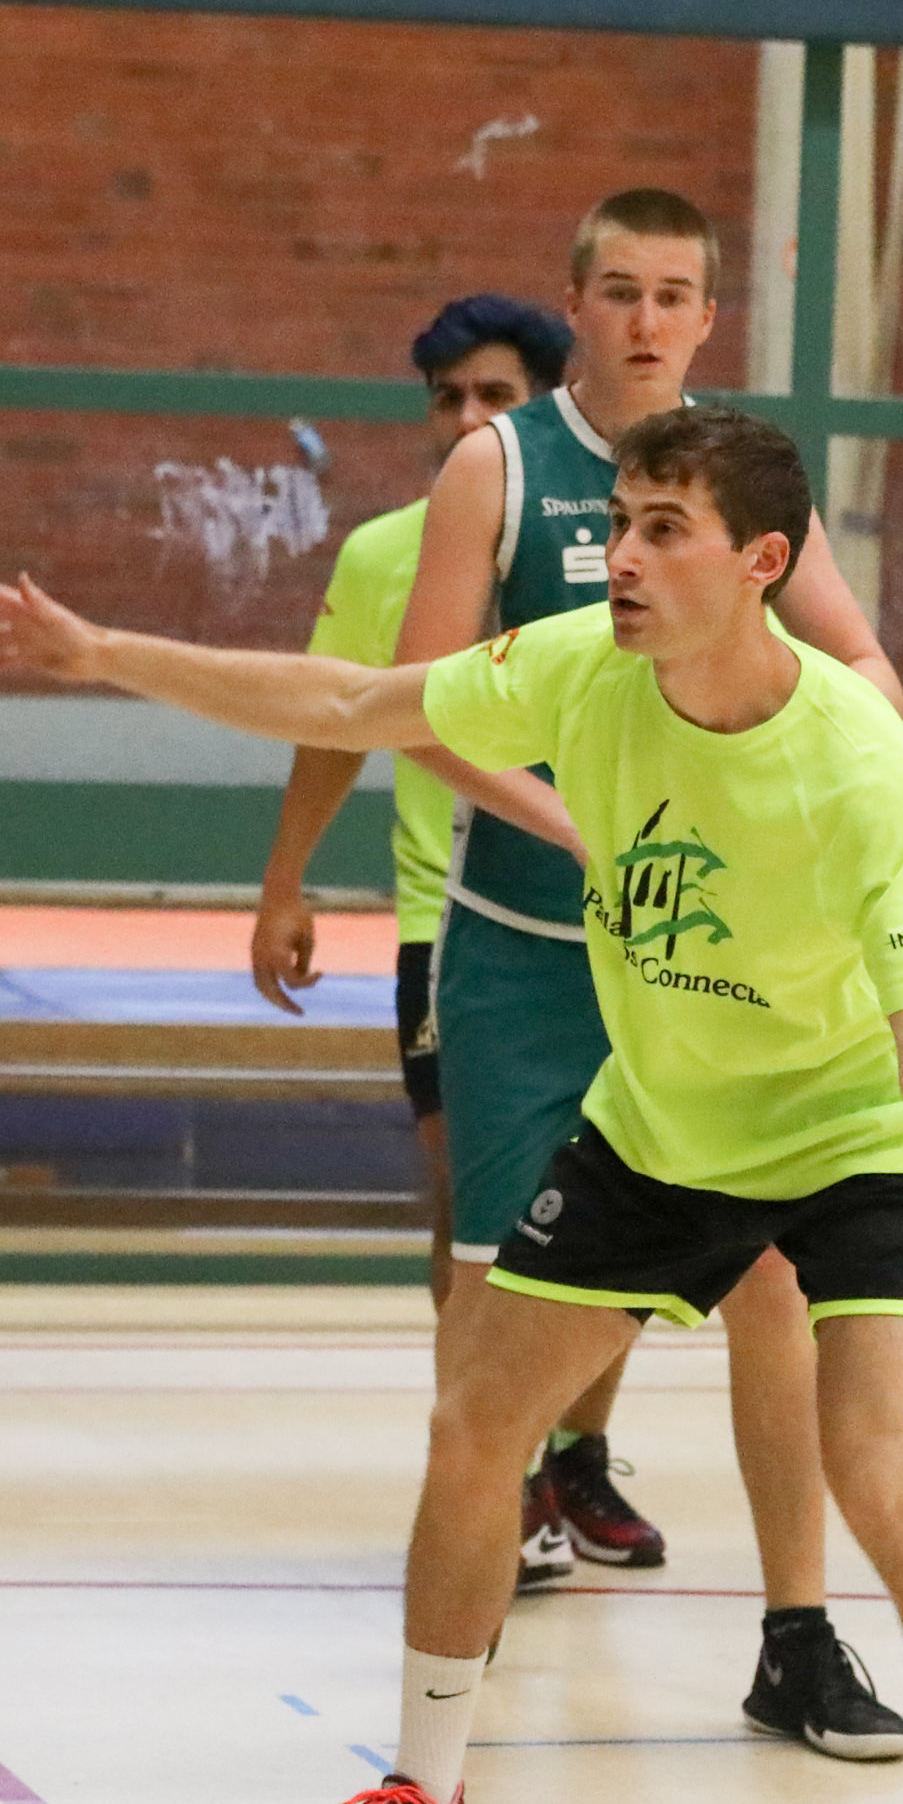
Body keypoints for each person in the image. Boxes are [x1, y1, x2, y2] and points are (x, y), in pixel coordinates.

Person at [0, 404, 903, 1804]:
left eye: (663, 531)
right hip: (657, 1131)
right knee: (476, 1428)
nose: (621, 558)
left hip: (843, 1141)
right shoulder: (574, 668)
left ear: (760, 563)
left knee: (883, 1479)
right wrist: (105, 654)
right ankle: (424, 1803)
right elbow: (350, 698)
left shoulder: (858, 761)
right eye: (617, 524)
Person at [390, 188, 903, 1741]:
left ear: (706, 316)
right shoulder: (500, 465)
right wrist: (575, 825)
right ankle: (453, 1673)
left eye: (673, 294)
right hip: (528, 952)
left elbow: (864, 662)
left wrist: (830, 777)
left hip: (706, 965)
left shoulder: (736, 479)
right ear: (577, 302)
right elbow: (418, 698)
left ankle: (798, 1632)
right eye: (619, 289)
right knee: (491, 1295)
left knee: (775, 1292)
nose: (645, 319)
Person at [253, 293, 573, 1308]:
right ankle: (477, 1412)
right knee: (471, 1203)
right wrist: (283, 881)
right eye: (449, 398)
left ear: (543, 405)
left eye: (496, 395)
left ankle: (563, 1414)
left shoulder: (601, 542)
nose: (469, 417)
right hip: (446, 925)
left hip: (602, 913)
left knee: (590, 1220)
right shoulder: (383, 554)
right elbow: (335, 721)